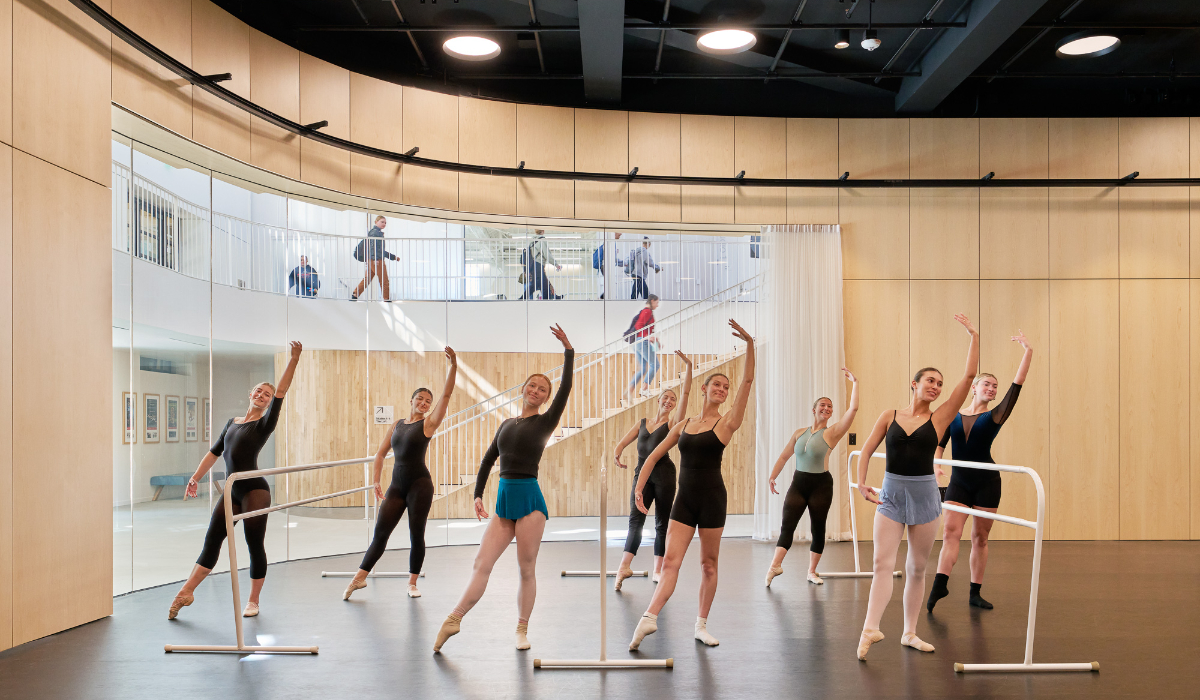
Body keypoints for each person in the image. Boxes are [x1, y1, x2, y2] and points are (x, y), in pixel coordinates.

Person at [434, 325, 574, 653]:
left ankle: (522, 629)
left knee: (526, 568)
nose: (536, 391)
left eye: (542, 389)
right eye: (532, 385)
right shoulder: (506, 425)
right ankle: (454, 618)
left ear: (545, 397)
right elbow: (487, 461)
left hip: (529, 500)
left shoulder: (545, 422)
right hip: (503, 499)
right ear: (523, 388)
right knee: (481, 563)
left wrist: (568, 351)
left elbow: (566, 388)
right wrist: (477, 494)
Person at [853, 314, 978, 660]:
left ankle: (909, 632)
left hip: (925, 495)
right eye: (930, 381)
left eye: (940, 383)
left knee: (917, 568)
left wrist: (973, 335)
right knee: (882, 562)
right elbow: (866, 450)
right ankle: (869, 629)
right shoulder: (889, 415)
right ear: (914, 383)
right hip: (891, 493)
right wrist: (862, 483)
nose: (936, 387)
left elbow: (968, 377)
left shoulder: (939, 419)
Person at [628, 320, 755, 651]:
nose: (722, 389)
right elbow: (653, 455)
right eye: (716, 384)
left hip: (713, 500)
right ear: (704, 388)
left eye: (726, 387)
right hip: (684, 501)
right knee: (670, 562)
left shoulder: (727, 423)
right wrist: (639, 489)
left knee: (708, 564)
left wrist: (751, 345)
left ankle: (701, 625)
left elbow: (748, 381)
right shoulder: (683, 423)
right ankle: (649, 618)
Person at [167, 341, 304, 620]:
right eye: (259, 391)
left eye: (266, 395)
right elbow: (215, 453)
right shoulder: (232, 422)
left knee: (254, 544)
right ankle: (187, 591)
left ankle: (253, 601)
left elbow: (282, 391)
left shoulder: (264, 424)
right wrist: (195, 478)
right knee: (212, 540)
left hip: (255, 490)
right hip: (231, 491)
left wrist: (293, 359)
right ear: (250, 393)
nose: (263, 396)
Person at [927, 331, 1033, 612]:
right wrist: (937, 467)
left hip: (987, 482)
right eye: (987, 383)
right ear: (973, 387)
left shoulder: (995, 416)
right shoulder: (953, 415)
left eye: (995, 386)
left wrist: (1027, 352)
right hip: (959, 480)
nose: (992, 388)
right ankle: (940, 583)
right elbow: (940, 444)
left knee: (980, 538)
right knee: (950, 532)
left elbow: (1017, 386)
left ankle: (975, 592)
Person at [343, 347, 458, 601]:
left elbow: (447, 395)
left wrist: (454, 367)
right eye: (420, 399)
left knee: (416, 534)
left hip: (420, 485)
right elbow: (380, 454)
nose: (425, 403)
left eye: (428, 401)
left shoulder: (428, 425)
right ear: (412, 400)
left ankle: (413, 582)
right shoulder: (397, 425)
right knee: (381, 533)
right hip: (396, 486)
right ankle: (359, 578)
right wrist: (375, 480)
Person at [765, 369, 859, 587]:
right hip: (799, 483)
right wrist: (772, 476)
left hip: (821, 485)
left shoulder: (833, 432)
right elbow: (784, 455)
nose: (826, 408)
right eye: (823, 405)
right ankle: (774, 566)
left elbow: (853, 409)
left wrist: (855, 383)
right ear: (814, 409)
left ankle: (811, 571)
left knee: (818, 527)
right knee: (787, 525)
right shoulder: (799, 433)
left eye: (830, 407)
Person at [613, 352, 693, 590]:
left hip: (664, 475)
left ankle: (658, 570)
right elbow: (623, 442)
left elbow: (686, 394)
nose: (669, 401)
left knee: (661, 523)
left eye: (672, 399)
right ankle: (624, 565)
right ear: (658, 400)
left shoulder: (671, 424)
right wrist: (617, 454)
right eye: (665, 397)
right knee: (635, 521)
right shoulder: (642, 422)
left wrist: (688, 367)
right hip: (642, 475)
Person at [351, 215, 398, 301]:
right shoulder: (375, 233)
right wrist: (375, 259)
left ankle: (355, 294)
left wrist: (393, 257)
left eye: (385, 223)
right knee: (384, 279)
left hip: (372, 259)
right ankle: (386, 298)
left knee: (367, 279)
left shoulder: (377, 232)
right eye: (382, 222)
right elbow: (372, 247)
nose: (384, 224)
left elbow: (380, 250)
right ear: (376, 222)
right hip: (376, 260)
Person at [625, 294, 661, 401]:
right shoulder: (647, 311)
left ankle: (630, 390)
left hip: (638, 342)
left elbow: (644, 328)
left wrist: (654, 339)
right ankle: (644, 389)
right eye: (657, 302)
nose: (657, 305)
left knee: (644, 368)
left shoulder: (646, 311)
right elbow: (639, 326)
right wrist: (647, 337)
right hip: (642, 342)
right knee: (655, 365)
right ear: (652, 301)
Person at [521, 229, 562, 300]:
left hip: (532, 265)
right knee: (537, 284)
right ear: (543, 231)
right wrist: (556, 264)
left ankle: (551, 297)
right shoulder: (542, 240)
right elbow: (547, 254)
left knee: (543, 283)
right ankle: (523, 298)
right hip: (538, 265)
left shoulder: (532, 241)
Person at [596, 232, 625, 300]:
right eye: (619, 232)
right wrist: (623, 263)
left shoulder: (609, 243)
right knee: (610, 285)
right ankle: (602, 298)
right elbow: (614, 259)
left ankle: (602, 297)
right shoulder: (611, 243)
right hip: (606, 267)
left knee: (609, 285)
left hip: (604, 266)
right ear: (614, 233)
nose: (621, 234)